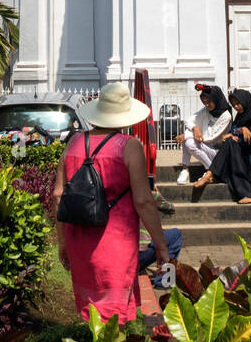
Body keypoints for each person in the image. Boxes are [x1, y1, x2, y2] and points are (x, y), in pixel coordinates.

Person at [54, 82, 170, 324]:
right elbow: (143, 201)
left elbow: (58, 195)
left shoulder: (73, 143)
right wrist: (161, 245)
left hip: (78, 239)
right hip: (114, 241)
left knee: (90, 313)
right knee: (113, 319)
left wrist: (62, 240)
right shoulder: (129, 147)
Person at [192, 89, 251, 204]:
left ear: (245, 101)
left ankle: (210, 174)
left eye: (238, 103)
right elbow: (232, 131)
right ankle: (210, 174)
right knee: (229, 142)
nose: (237, 107)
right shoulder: (240, 116)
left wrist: (237, 135)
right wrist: (241, 130)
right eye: (234, 105)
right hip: (244, 153)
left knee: (230, 142)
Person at [174, 86, 233, 184]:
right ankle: (185, 170)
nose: (206, 105)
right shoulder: (206, 110)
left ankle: (212, 171)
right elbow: (188, 120)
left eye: (209, 102)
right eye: (204, 102)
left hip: (218, 153)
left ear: (216, 99)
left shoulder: (226, 116)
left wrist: (187, 136)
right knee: (189, 131)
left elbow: (211, 138)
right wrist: (195, 128)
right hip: (207, 147)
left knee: (188, 140)